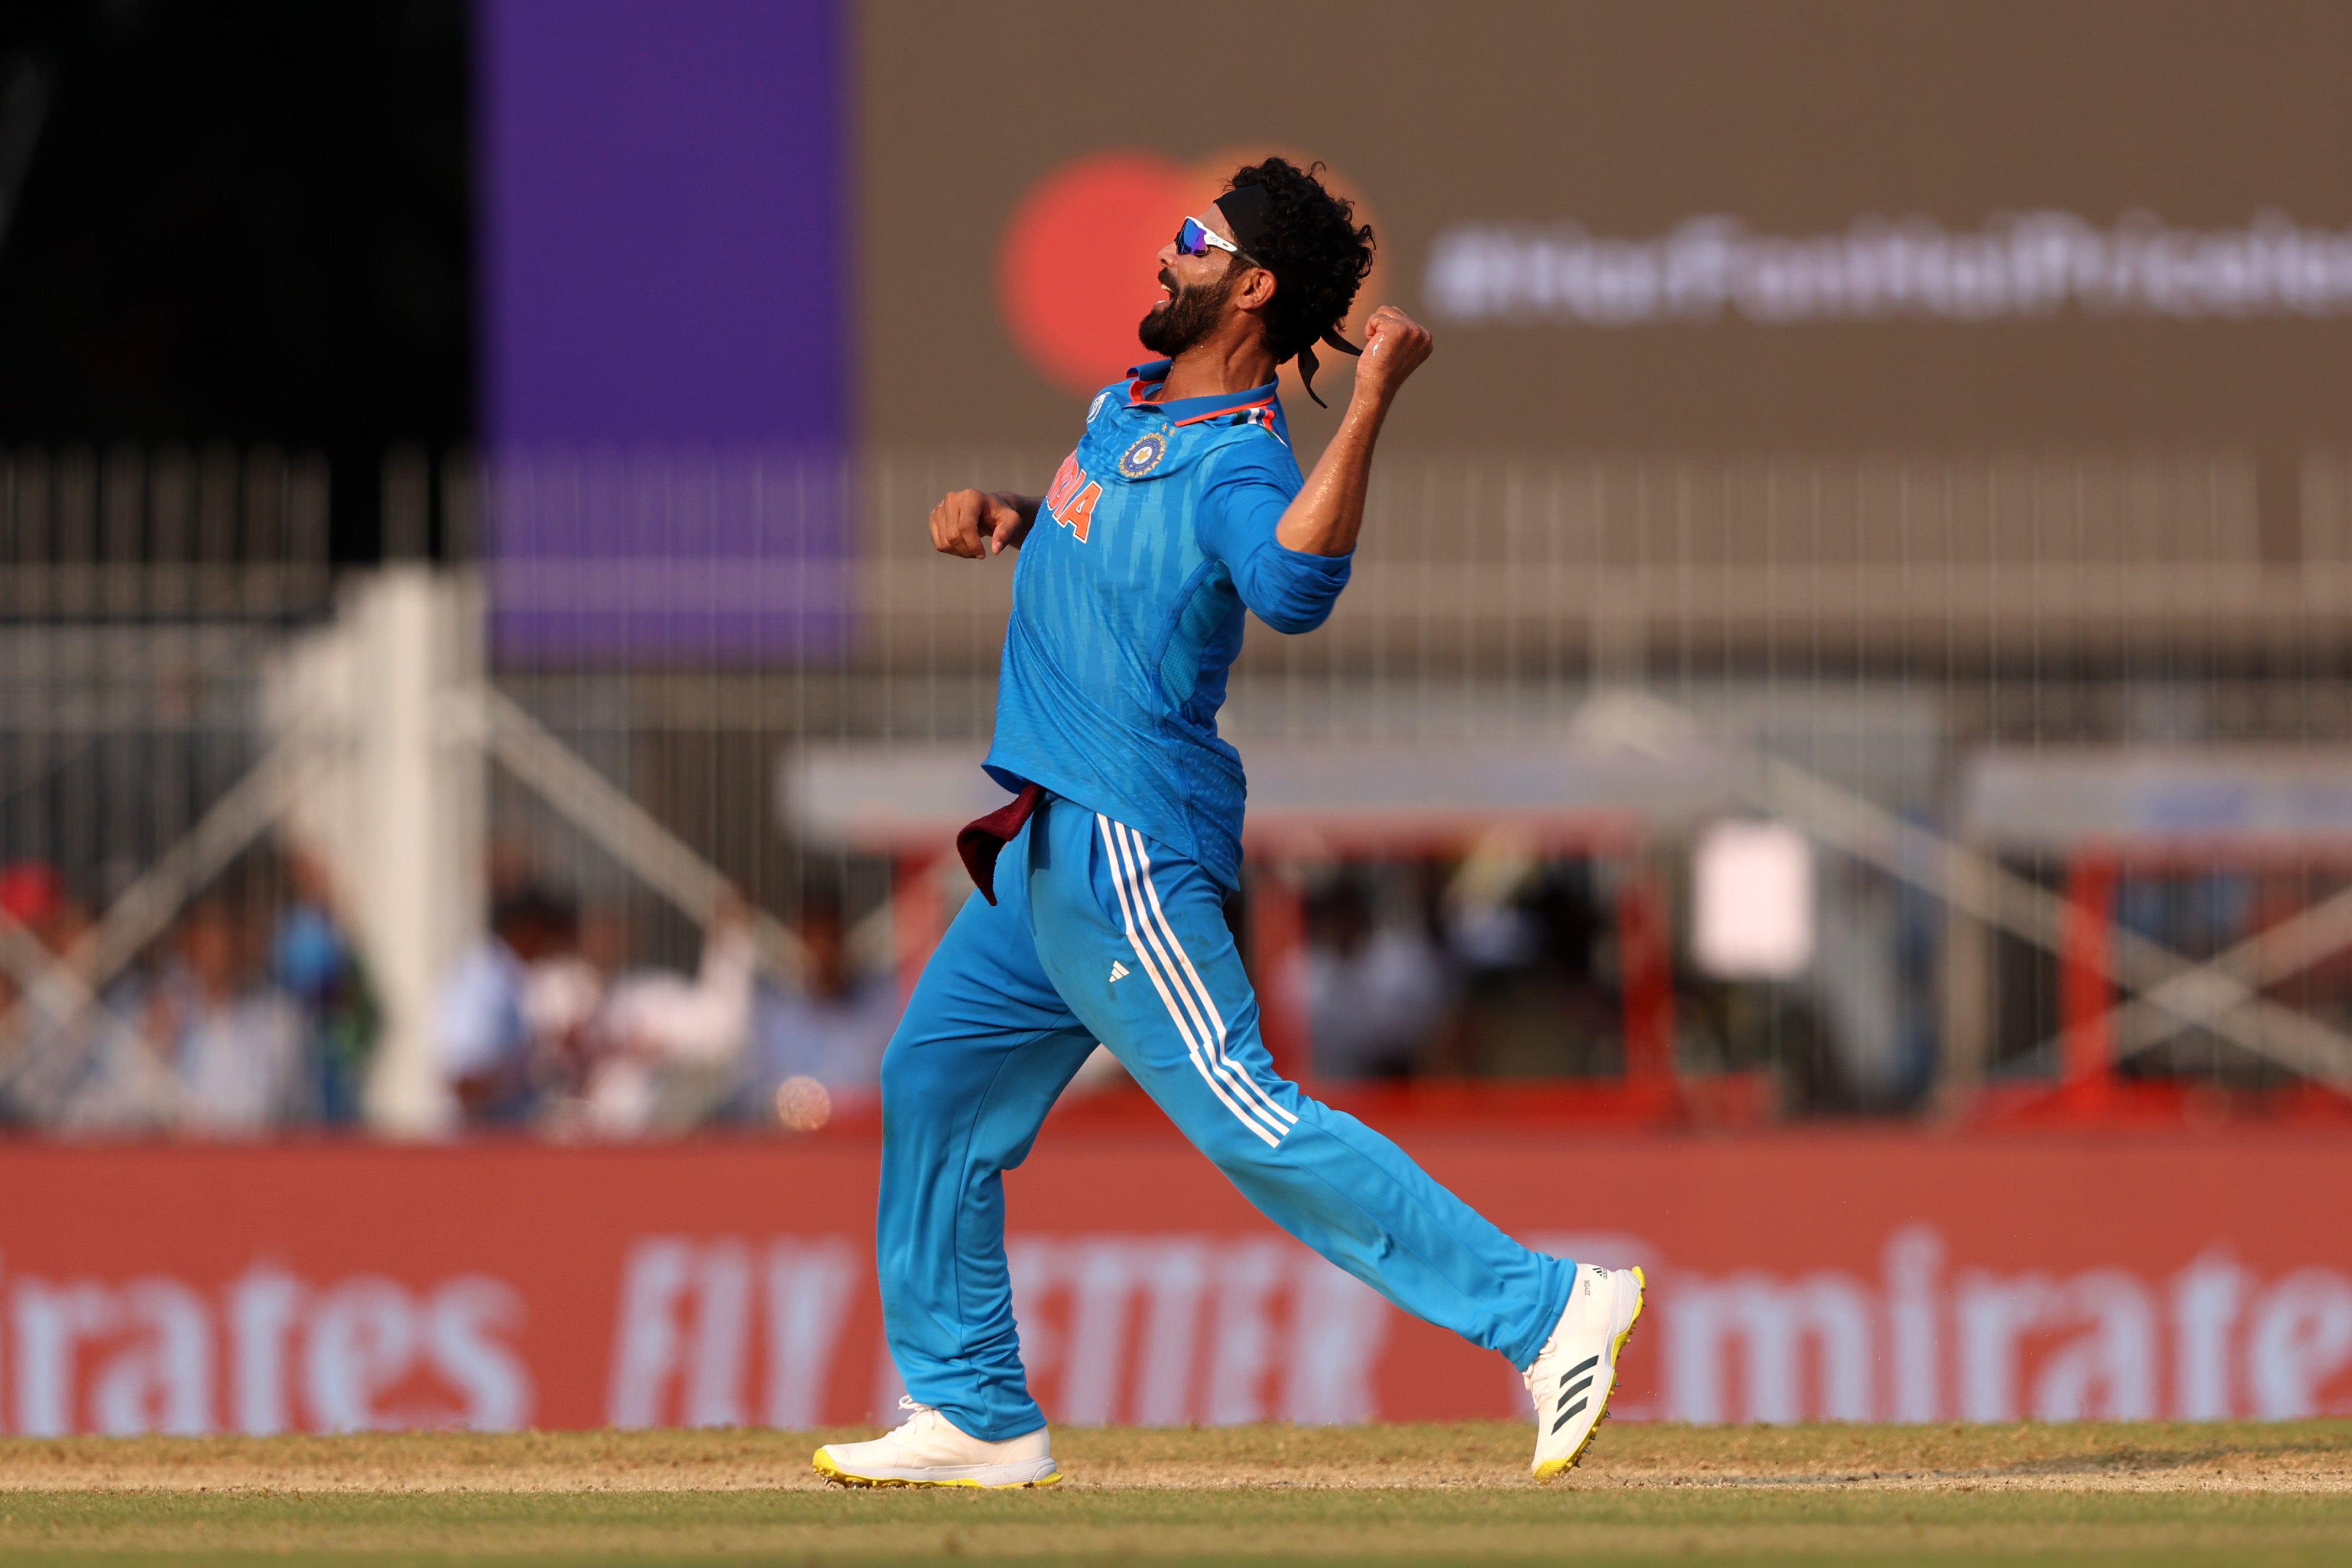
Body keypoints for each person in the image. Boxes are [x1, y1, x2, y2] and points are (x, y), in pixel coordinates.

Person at [814, 159, 1642, 1491]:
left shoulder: (1242, 462)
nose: (1167, 254)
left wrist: (1367, 402)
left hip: (1129, 843)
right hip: (1038, 843)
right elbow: (1105, 548)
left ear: (1250, 286)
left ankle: (1548, 1312)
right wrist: (1010, 522)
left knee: (1246, 1113)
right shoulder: (1122, 406)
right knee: (934, 1087)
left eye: (1194, 241)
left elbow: (1295, 589)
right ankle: (971, 1408)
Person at [434, 883, 576, 1128]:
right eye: (550, 935)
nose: (552, 948)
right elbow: (463, 1083)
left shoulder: (512, 980)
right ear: (530, 929)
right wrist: (536, 1068)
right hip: (476, 1148)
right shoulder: (482, 981)